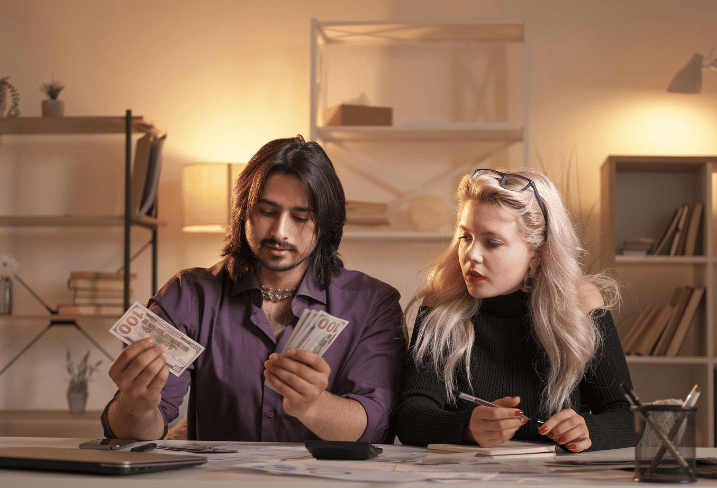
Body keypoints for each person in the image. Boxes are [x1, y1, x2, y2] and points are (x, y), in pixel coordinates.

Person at [102, 135, 406, 443]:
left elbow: (376, 427)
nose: (279, 232)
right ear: (243, 211)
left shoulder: (373, 304)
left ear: (326, 225)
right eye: (266, 211)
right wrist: (136, 407)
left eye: (300, 217)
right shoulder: (190, 295)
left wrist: (312, 405)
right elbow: (137, 433)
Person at [396, 168, 637, 452]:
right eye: (465, 237)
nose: (471, 254)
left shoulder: (580, 305)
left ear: (537, 252)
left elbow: (630, 418)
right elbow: (409, 416)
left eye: (492, 242)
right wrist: (467, 427)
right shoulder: (441, 305)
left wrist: (590, 429)